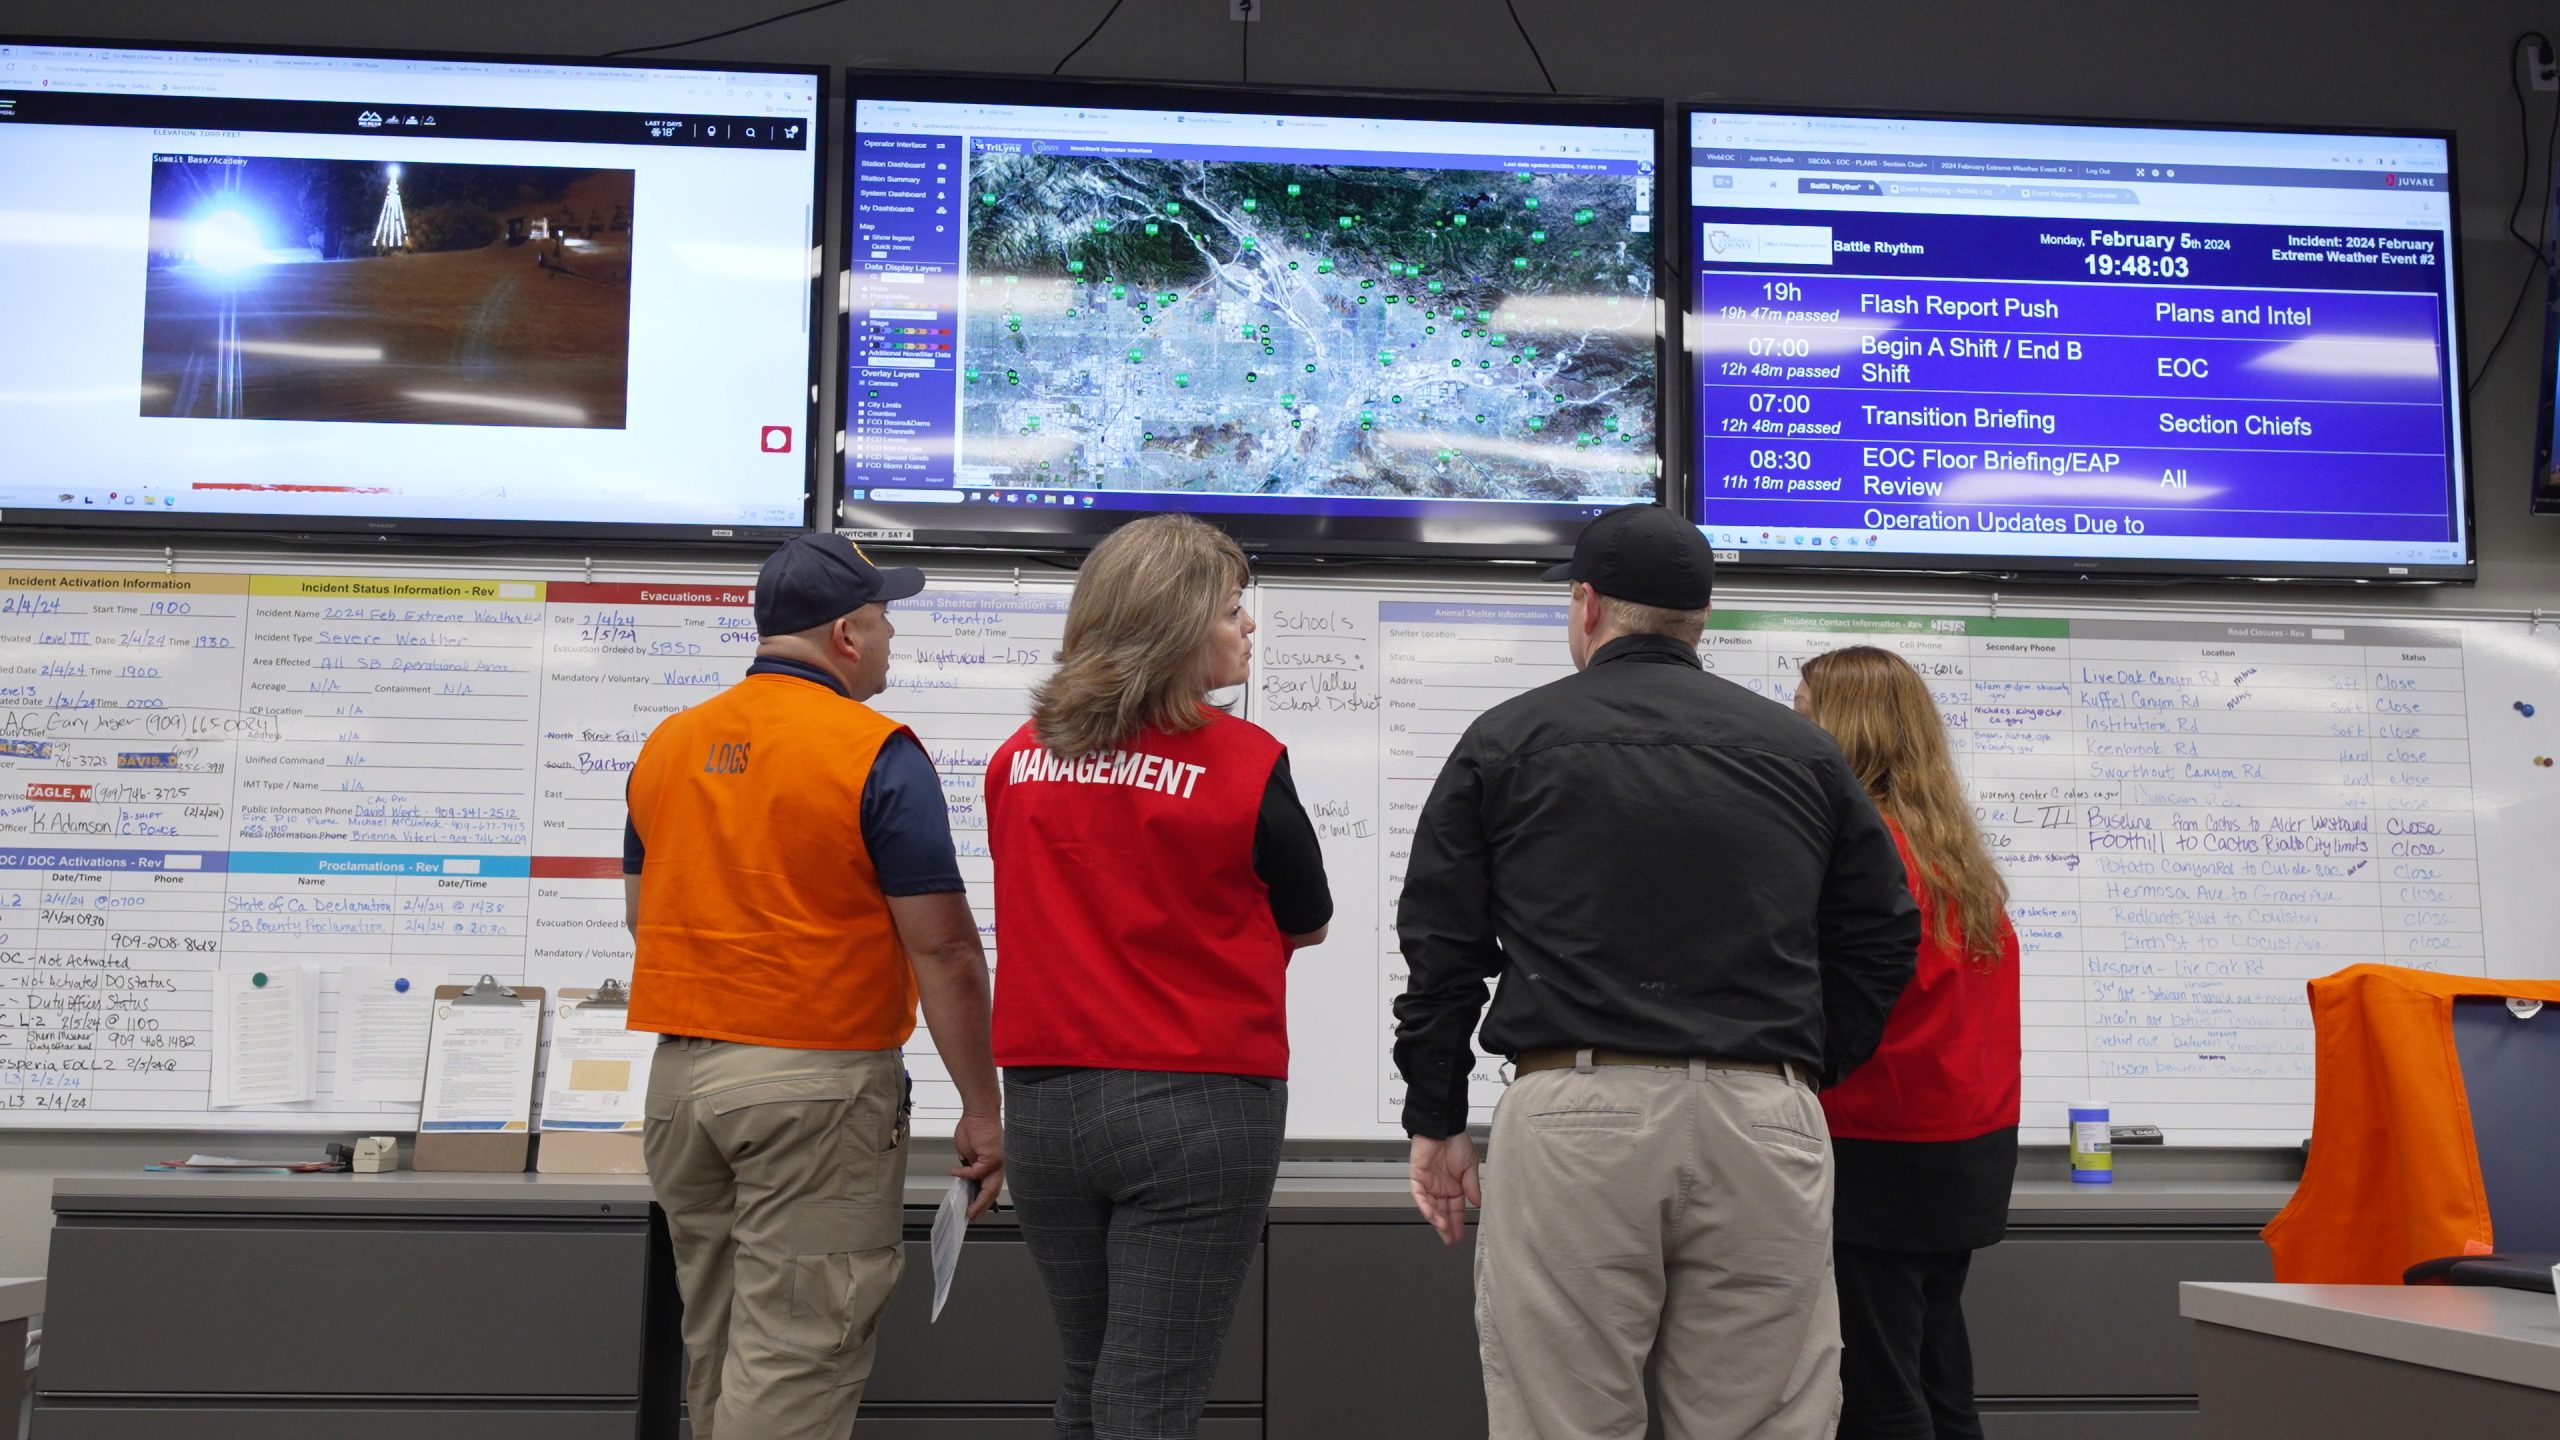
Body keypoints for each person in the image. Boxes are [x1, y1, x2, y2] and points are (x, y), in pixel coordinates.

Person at [1393, 504, 1920, 1440]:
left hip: (1576, 1117)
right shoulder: (1802, 752)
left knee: (1567, 1421)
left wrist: (1435, 1116)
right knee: (1761, 1421)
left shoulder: (1506, 739)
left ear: (1586, 606)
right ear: (1700, 619)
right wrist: (1799, 1069)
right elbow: (1881, 932)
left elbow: (1443, 949)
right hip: (1767, 1117)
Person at [623, 532, 1004, 1440]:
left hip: (682, 1091)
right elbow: (944, 949)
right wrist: (983, 1109)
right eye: (884, 622)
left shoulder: (669, 745)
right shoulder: (874, 752)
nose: (889, 642)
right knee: (796, 1356)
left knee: (718, 1348)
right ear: (845, 633)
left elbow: (644, 915)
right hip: (814, 1089)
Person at [984, 513, 1332, 1440]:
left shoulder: (1019, 760)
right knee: (1151, 1402)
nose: (1247, 626)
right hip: (1200, 1105)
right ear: (1176, 627)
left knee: (1088, 1384)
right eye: (1231, 610)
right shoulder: (1249, 764)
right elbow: (1310, 921)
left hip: (1047, 1107)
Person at [1793, 646, 2021, 1440]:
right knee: (1937, 1364)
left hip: (1879, 1147)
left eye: (1804, 715)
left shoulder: (1866, 853)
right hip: (1964, 1152)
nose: (1794, 732)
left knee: (1879, 1385)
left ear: (1845, 732)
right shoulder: (1953, 855)